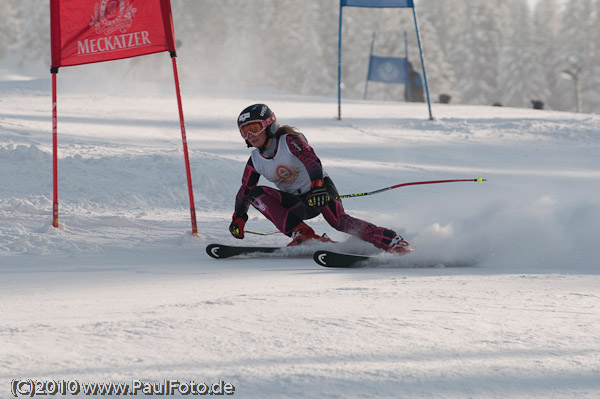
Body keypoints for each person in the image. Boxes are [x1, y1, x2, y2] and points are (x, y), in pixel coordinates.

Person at [228, 103, 412, 254]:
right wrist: (239, 217)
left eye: (254, 128)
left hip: (319, 190)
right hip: (296, 203)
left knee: (338, 221)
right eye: (244, 132)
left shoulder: (289, 141)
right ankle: (303, 234)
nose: (250, 136)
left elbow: (312, 161)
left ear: (269, 125)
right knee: (254, 193)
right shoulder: (256, 160)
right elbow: (245, 189)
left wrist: (317, 187)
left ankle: (394, 241)